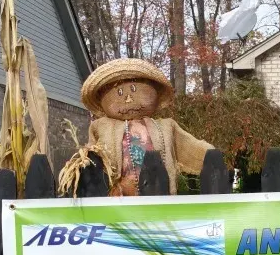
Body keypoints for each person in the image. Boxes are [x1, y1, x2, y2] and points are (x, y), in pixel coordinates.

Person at [80, 58, 214, 196]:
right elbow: (91, 154)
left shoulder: (166, 126)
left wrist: (210, 154)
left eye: (134, 89)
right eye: (120, 92)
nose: (128, 99)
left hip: (160, 192)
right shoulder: (101, 126)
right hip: (118, 196)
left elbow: (188, 145)